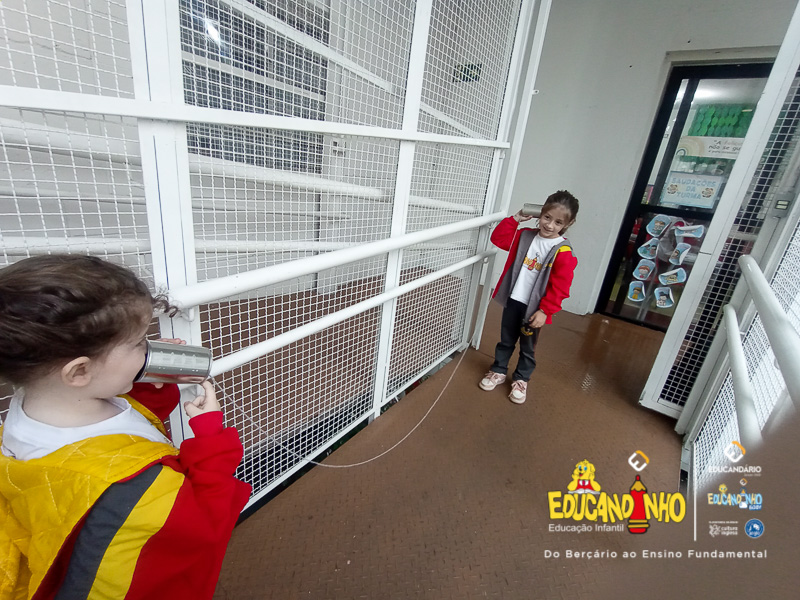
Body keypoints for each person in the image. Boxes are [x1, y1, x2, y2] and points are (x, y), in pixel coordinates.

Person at [0, 254, 252, 599]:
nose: (148, 350)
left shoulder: (35, 410)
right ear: (79, 371)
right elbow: (204, 523)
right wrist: (211, 441)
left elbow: (124, 424)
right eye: (137, 343)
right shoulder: (126, 487)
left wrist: (145, 381)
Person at [479, 190, 579, 404]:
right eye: (547, 217)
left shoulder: (563, 251)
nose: (550, 225)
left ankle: (521, 379)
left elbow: (561, 287)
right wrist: (515, 219)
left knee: (527, 346)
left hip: (535, 309)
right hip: (514, 300)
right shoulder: (524, 236)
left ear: (568, 224)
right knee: (506, 339)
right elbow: (498, 239)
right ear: (540, 213)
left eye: (558, 222)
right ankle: (498, 370)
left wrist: (545, 311)